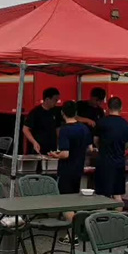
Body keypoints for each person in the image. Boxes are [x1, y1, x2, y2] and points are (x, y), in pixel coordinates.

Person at [48, 101, 93, 242]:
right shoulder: (84, 128)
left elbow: (65, 154)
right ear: (76, 113)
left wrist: (55, 155)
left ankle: (75, 232)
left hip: (66, 169)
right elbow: (90, 148)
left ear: (62, 113)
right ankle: (75, 231)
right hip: (78, 168)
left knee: (65, 202)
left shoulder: (65, 130)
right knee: (74, 200)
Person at [93, 97, 128, 208]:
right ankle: (117, 217)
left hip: (104, 162)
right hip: (119, 163)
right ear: (121, 107)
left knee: (102, 196)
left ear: (107, 107)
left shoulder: (101, 123)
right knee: (117, 195)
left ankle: (103, 217)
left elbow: (95, 140)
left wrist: (102, 147)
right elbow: (127, 145)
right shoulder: (126, 125)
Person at [23, 87, 62, 157]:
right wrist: (34, 142)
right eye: (55, 100)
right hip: (38, 149)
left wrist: (59, 143)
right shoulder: (35, 112)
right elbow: (25, 129)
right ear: (47, 99)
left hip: (52, 150)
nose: (56, 102)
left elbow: (57, 129)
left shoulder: (56, 112)